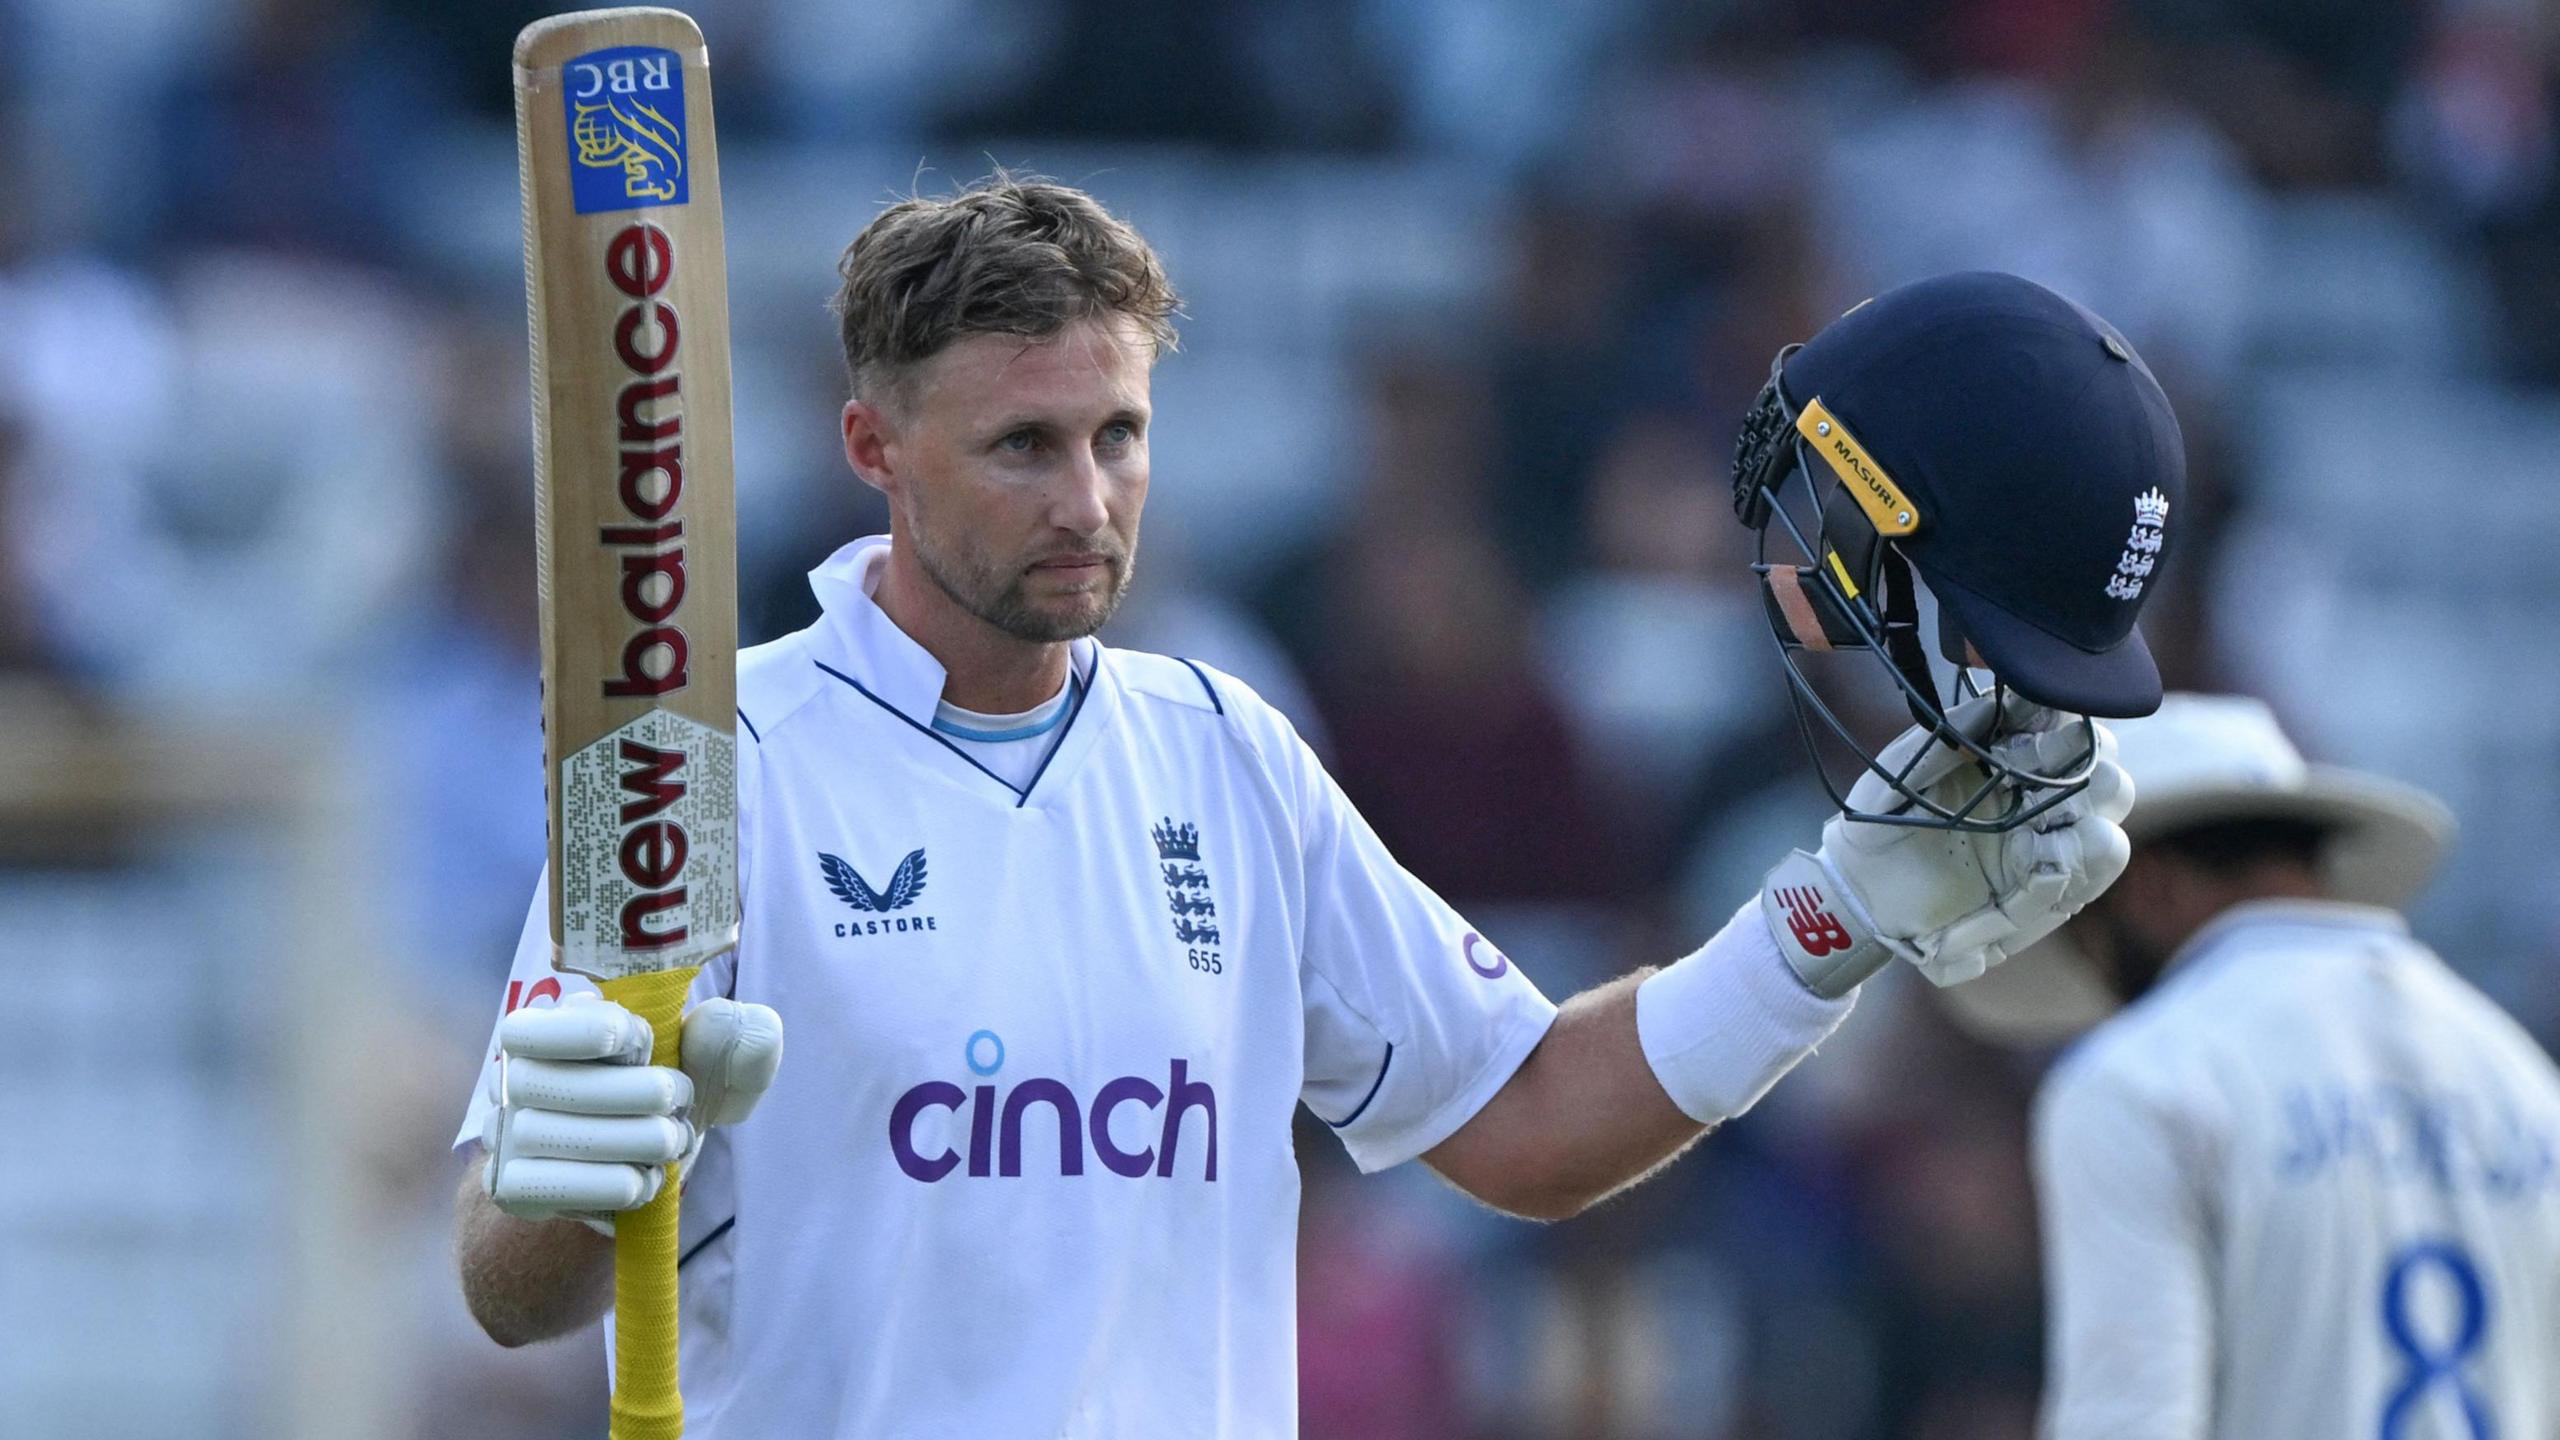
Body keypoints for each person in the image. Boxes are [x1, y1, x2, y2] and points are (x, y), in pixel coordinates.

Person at [451, 180, 2174, 1435]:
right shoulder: (684, 759)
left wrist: (1831, 922)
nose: (1090, 500)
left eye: (1120, 435)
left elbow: (1517, 1124)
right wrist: (567, 1175)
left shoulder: (1225, 749)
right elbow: (506, 1285)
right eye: (1024, 447)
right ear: (873, 447)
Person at [1961, 693, 2560, 1438]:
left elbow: (2130, 1417)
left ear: (2147, 886)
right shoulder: (2522, 1077)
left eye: (2089, 939)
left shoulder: (2142, 1082)